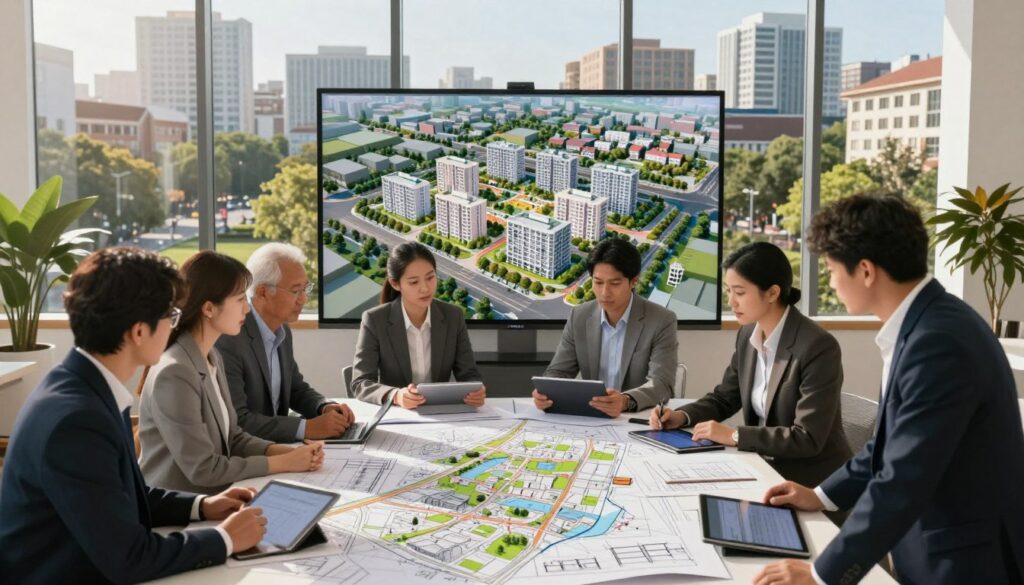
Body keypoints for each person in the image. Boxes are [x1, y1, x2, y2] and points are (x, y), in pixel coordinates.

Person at [755, 194, 1024, 585]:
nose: (830, 281)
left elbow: (902, 477)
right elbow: (888, 447)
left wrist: (820, 574)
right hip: (938, 549)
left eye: (831, 269)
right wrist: (821, 495)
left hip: (964, 564)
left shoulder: (937, 341)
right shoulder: (927, 323)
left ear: (865, 270)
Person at [0, 247, 267, 583]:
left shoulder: (87, 387)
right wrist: (225, 538)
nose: (175, 325)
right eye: (170, 316)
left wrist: (202, 505)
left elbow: (122, 497)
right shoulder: (76, 420)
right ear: (139, 332)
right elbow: (129, 558)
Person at [650, 242, 851, 488]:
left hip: (810, 483)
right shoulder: (748, 335)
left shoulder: (817, 346)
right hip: (761, 468)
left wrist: (735, 435)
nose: (731, 302)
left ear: (773, 293)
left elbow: (807, 438)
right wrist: (683, 416)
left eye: (740, 292)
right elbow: (725, 398)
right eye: (728, 291)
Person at [139, 251, 325, 495]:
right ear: (209, 309)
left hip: (219, 497)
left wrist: (288, 452)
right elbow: (203, 468)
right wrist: (281, 463)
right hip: (181, 511)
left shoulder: (211, 357)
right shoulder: (175, 372)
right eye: (240, 300)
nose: (247, 310)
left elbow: (233, 438)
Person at [216, 243, 355, 442]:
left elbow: (295, 389)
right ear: (263, 292)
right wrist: (306, 428)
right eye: (296, 291)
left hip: (277, 449)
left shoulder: (282, 330)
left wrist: (323, 406)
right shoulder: (230, 338)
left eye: (306, 288)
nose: (304, 299)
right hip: (250, 456)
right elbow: (239, 421)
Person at [534, 238, 677, 417]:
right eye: (598, 282)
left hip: (637, 417)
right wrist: (547, 390)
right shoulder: (579, 316)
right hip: (592, 417)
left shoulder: (662, 320)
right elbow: (559, 371)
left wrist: (625, 401)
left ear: (633, 282)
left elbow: (662, 384)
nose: (604, 292)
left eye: (614, 284)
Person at [352, 242, 485, 408]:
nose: (425, 288)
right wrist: (396, 395)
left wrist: (475, 391)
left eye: (430, 278)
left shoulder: (453, 316)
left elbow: (469, 374)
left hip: (441, 412)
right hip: (398, 414)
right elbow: (360, 383)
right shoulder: (374, 319)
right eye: (414, 282)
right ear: (395, 284)